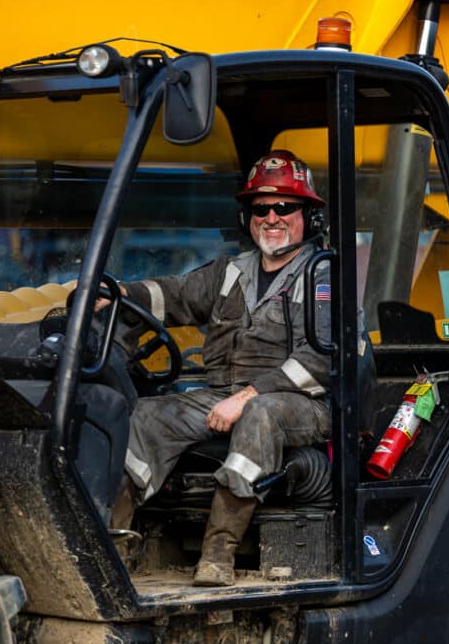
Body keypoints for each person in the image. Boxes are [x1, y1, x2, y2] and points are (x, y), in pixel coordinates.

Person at [107, 150, 332, 587]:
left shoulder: (322, 275)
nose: (272, 217)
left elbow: (323, 359)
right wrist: (118, 293)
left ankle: (217, 554)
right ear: (247, 217)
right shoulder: (232, 271)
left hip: (303, 405)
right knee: (149, 415)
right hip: (225, 392)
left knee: (259, 414)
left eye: (285, 207)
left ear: (308, 216)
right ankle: (116, 544)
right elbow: (175, 296)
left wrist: (247, 396)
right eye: (261, 208)